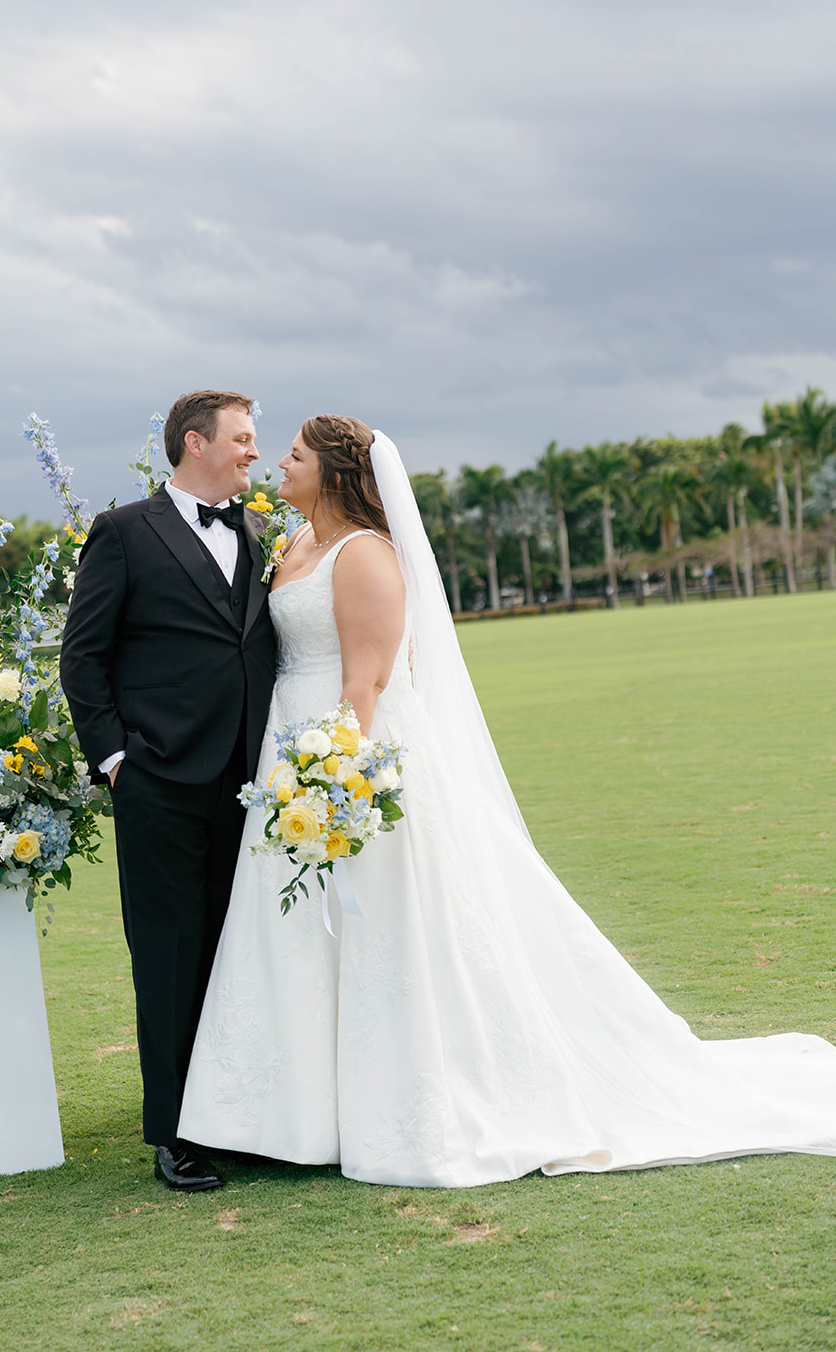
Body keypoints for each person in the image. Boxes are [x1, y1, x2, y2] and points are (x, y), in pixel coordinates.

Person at [178, 415, 836, 1186]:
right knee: (293, 933)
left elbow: (367, 679)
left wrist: (334, 780)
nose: (277, 463)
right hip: (285, 748)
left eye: (294, 455)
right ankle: (292, 1113)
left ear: (333, 472)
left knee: (382, 923)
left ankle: (407, 1095)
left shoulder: (364, 554)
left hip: (347, 755)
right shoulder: (291, 544)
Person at [60, 390, 277, 1192]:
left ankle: (239, 1121)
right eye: (242, 437)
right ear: (195, 442)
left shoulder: (256, 531)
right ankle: (176, 1133)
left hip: (250, 782)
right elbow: (82, 656)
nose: (254, 451)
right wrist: (116, 759)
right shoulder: (123, 531)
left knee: (239, 950)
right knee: (169, 953)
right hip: (159, 779)